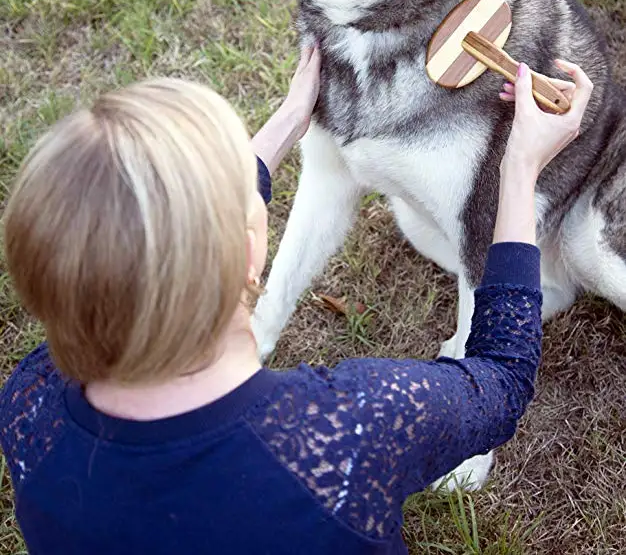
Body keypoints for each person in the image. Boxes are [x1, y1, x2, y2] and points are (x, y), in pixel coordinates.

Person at [0, 48, 592, 555]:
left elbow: (156, 242)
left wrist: (290, 117)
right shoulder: (350, 430)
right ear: (250, 250)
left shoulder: (28, 405)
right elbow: (500, 377)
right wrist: (520, 169)